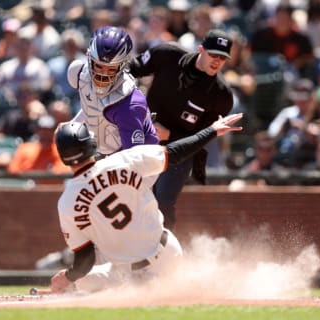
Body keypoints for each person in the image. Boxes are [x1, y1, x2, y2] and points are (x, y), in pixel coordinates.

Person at [49, 113, 243, 294]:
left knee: (79, 280)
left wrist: (68, 277)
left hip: (133, 274)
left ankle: (179, 286)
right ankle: (205, 280)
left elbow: (85, 260)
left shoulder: (66, 203)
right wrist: (212, 130)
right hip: (167, 252)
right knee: (86, 281)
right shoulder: (124, 160)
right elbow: (175, 152)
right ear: (91, 144)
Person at [127, 28, 234, 229]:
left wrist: (170, 135)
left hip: (180, 150)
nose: (217, 61)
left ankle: (162, 252)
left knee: (164, 203)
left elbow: (203, 137)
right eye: (213, 54)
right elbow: (131, 69)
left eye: (223, 58)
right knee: (129, 195)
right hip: (140, 138)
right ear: (201, 49)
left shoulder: (221, 96)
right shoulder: (168, 54)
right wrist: (132, 107)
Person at [67, 26, 159, 157]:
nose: (103, 75)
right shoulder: (79, 73)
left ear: (123, 65)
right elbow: (93, 105)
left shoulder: (129, 103)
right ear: (89, 58)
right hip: (101, 154)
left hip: (139, 162)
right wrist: (72, 124)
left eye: (111, 69)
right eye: (99, 66)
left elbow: (134, 159)